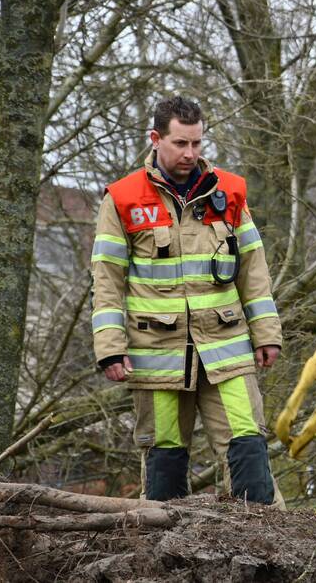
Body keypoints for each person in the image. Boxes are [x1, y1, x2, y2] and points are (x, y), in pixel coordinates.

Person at [91, 96, 282, 503]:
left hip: (225, 347)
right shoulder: (123, 199)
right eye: (180, 144)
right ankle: (160, 556)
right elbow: (106, 278)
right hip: (156, 353)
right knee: (165, 461)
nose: (190, 154)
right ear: (156, 139)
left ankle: (267, 548)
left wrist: (267, 333)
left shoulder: (229, 193)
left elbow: (253, 269)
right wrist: (109, 348)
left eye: (197, 144)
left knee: (248, 446)